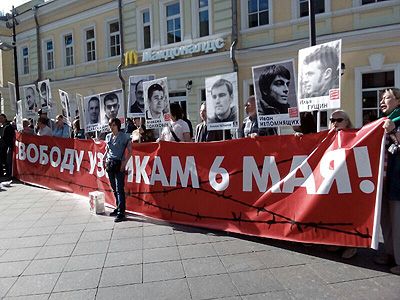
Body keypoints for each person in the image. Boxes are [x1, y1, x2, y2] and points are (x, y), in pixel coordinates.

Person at [325, 109, 357, 259]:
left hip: (350, 181)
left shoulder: (356, 136)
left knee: (349, 213)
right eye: (332, 120)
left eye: (339, 120)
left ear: (347, 122)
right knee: (334, 212)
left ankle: (352, 245)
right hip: (333, 180)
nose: (335, 123)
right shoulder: (325, 136)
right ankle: (337, 240)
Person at [374, 88, 400, 275]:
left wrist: (394, 131)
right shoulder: (382, 122)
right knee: (386, 220)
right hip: (384, 180)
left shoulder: (395, 123)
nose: (382, 101)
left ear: (398, 101)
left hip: (397, 181)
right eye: (381, 98)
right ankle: (391, 253)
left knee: (397, 221)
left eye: (387, 97)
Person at [103, 117, 131, 222]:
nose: (111, 127)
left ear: (118, 125)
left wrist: (124, 164)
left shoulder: (124, 137)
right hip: (110, 163)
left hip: (119, 163)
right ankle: (118, 207)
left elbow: (130, 151)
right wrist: (104, 158)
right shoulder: (108, 136)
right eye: (110, 125)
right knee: (114, 188)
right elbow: (107, 149)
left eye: (113, 125)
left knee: (120, 189)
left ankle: (121, 212)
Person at [0, 114, 15, 178]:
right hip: (2, 146)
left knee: (7, 160)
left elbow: (6, 137)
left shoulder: (8, 126)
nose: (0, 119)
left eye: (1, 118)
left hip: (7, 145)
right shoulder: (1, 126)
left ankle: (9, 174)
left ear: (5, 118)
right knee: (3, 160)